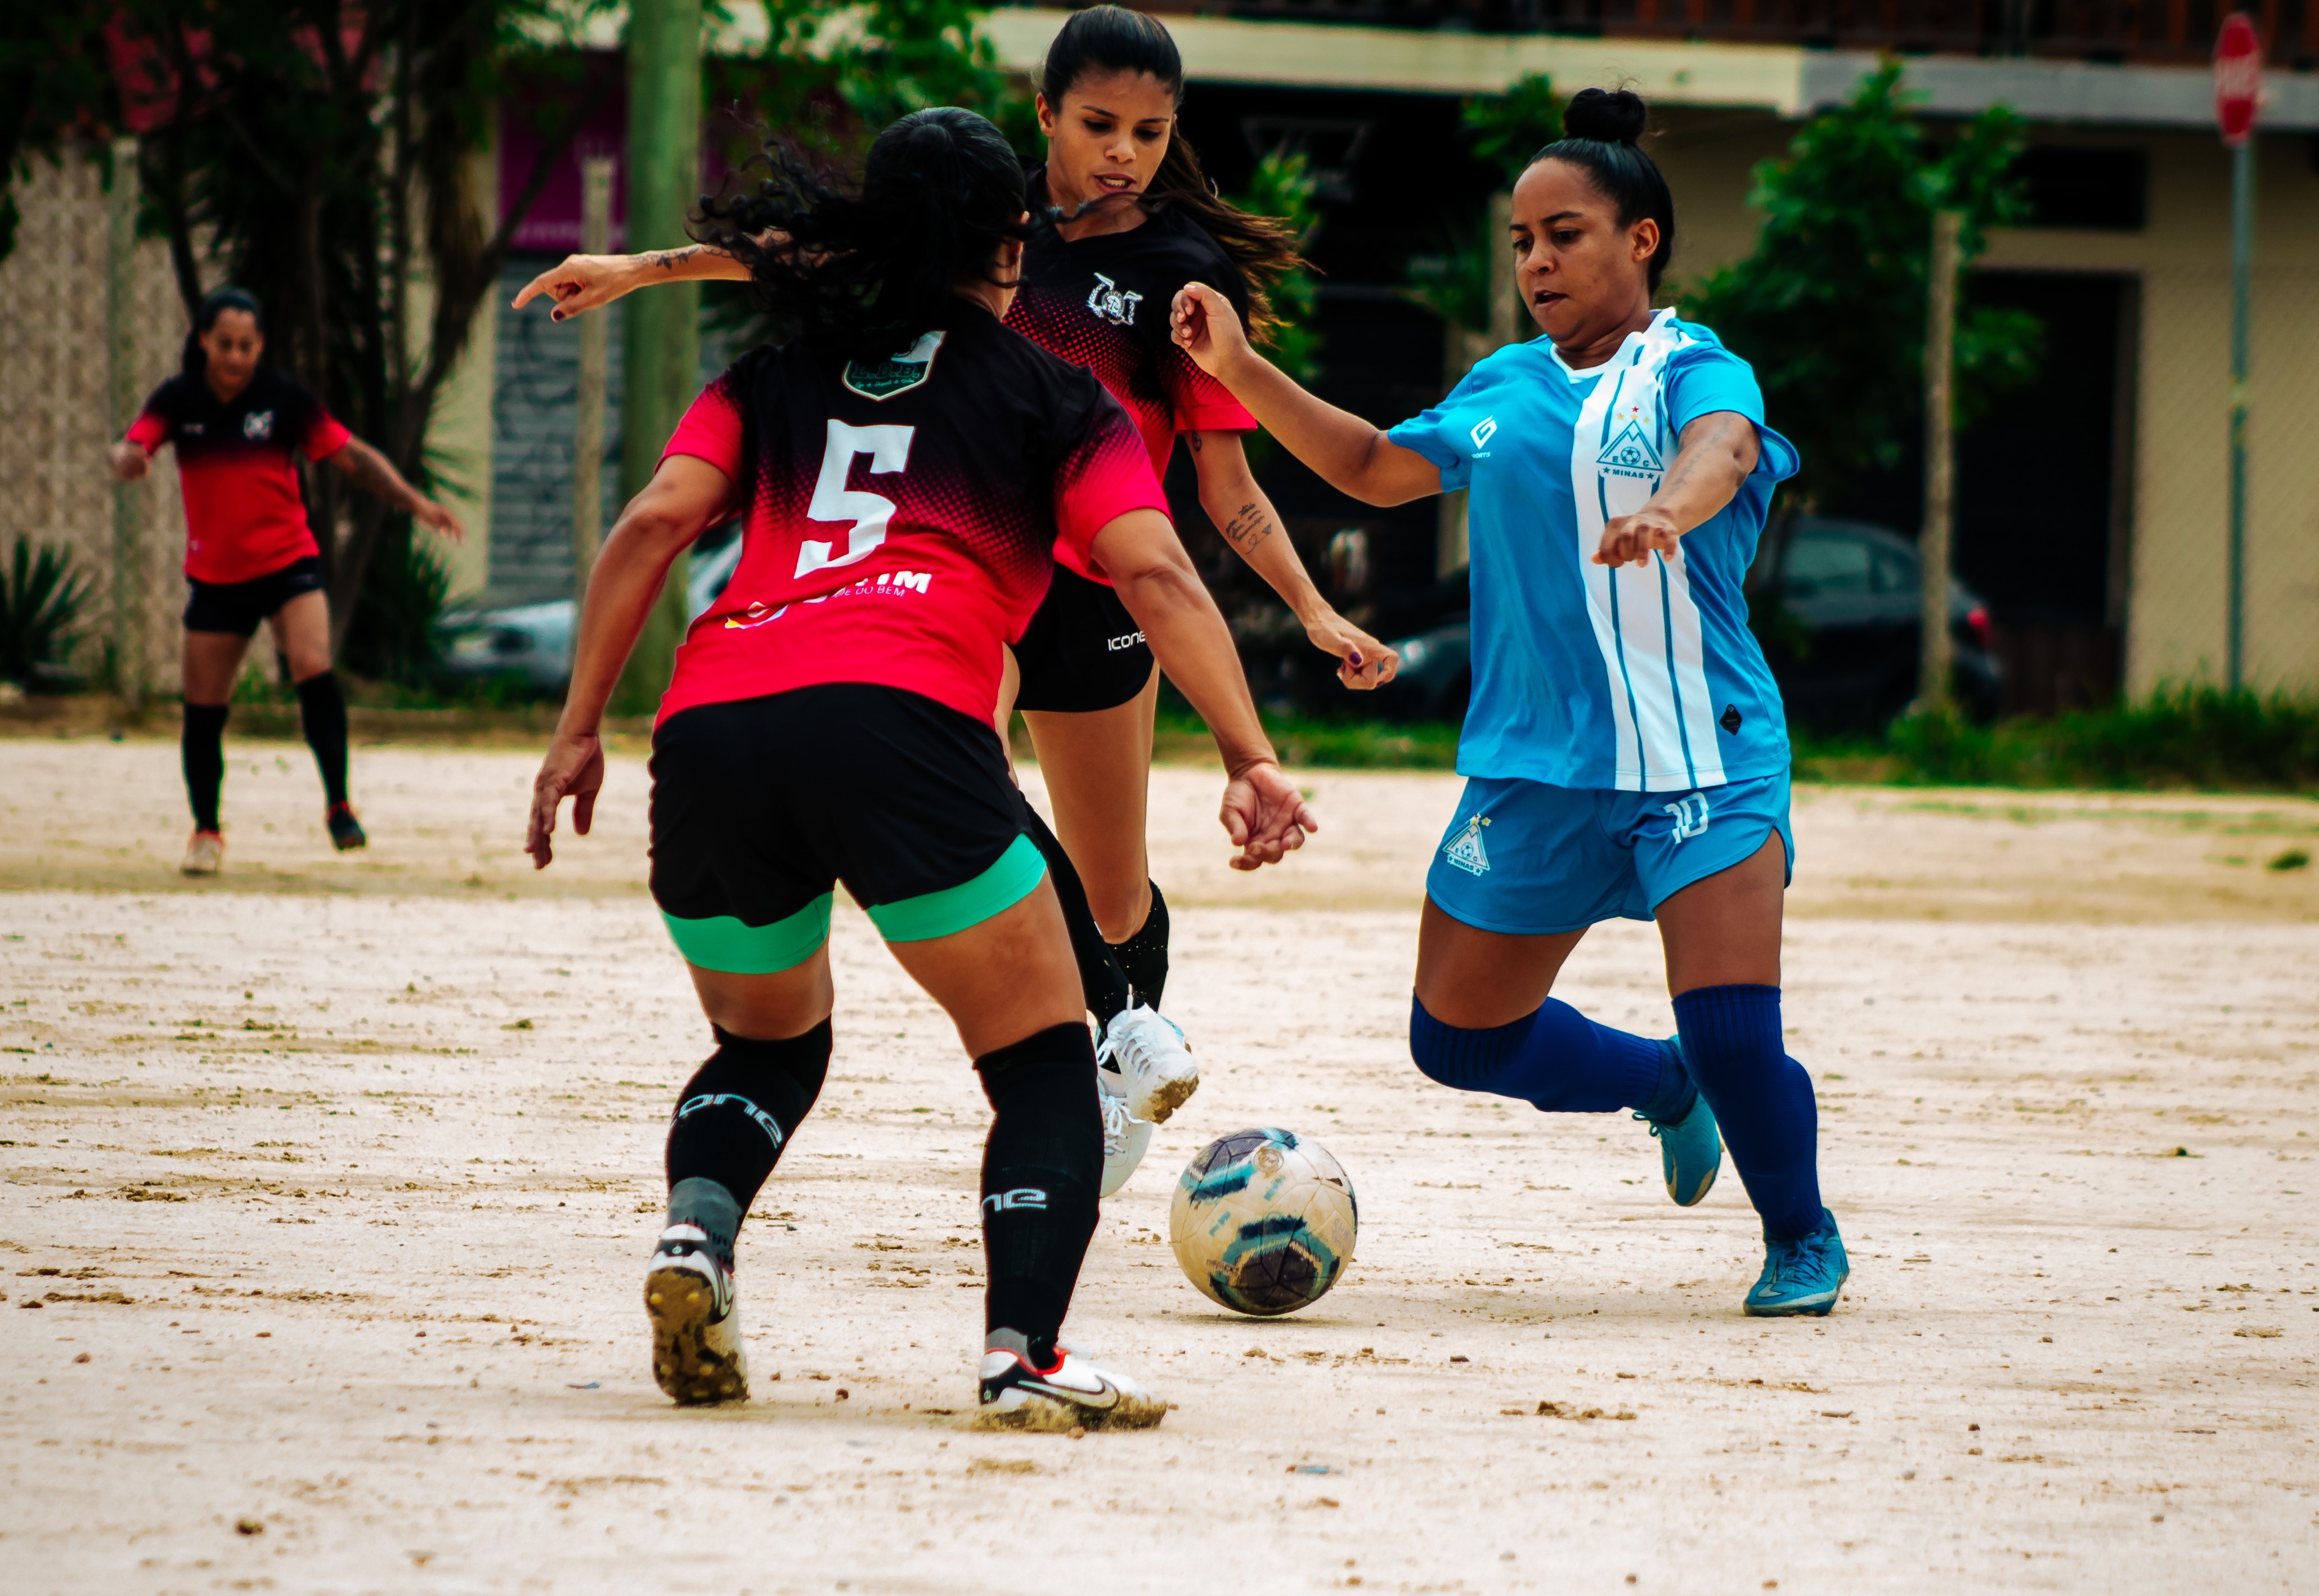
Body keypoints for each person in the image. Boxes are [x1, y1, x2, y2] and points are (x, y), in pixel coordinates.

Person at [511, 5, 1395, 1189]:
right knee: (957, 757)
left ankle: (1122, 1039)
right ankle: (1108, 1031)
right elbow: (798, 249)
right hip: (962, 576)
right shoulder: (972, 222)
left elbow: (1222, 485)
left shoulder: (1184, 273)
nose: (1121, 150)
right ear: (1044, 114)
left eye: (1147, 129)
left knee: (1113, 891)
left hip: (1106, 590)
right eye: (1095, 124)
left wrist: (1308, 605)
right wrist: (638, 269)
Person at [523, 108, 1318, 1426]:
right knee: (1042, 1062)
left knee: (766, 1042)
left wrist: (575, 727)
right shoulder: (1049, 392)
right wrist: (1247, 751)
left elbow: (654, 522)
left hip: (716, 726)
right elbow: (1157, 570)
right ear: (1011, 244)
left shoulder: (771, 373)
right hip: (898, 720)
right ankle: (1023, 1354)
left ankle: (696, 1238)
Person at [1168, 88, 1847, 1317]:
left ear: (1639, 239)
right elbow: (1373, 467)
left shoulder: (1691, 365)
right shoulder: (1500, 384)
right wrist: (1240, 366)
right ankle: (1660, 1084)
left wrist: (1665, 510)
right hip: (1535, 770)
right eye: (1521, 241)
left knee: (1740, 1033)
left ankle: (1798, 1234)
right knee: (1459, 1040)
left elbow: (1724, 451)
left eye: (1565, 234)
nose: (1536, 260)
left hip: (1702, 757)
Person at [109, 287, 463, 875]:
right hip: (217, 576)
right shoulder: (179, 399)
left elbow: (353, 456)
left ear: (260, 345)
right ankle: (206, 830)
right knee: (203, 708)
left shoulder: (283, 400)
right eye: (225, 344)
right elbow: (135, 441)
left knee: (312, 661)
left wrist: (416, 502)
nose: (236, 356)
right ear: (203, 341)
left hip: (287, 562)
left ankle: (339, 805)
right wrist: (127, 458)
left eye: (247, 345)